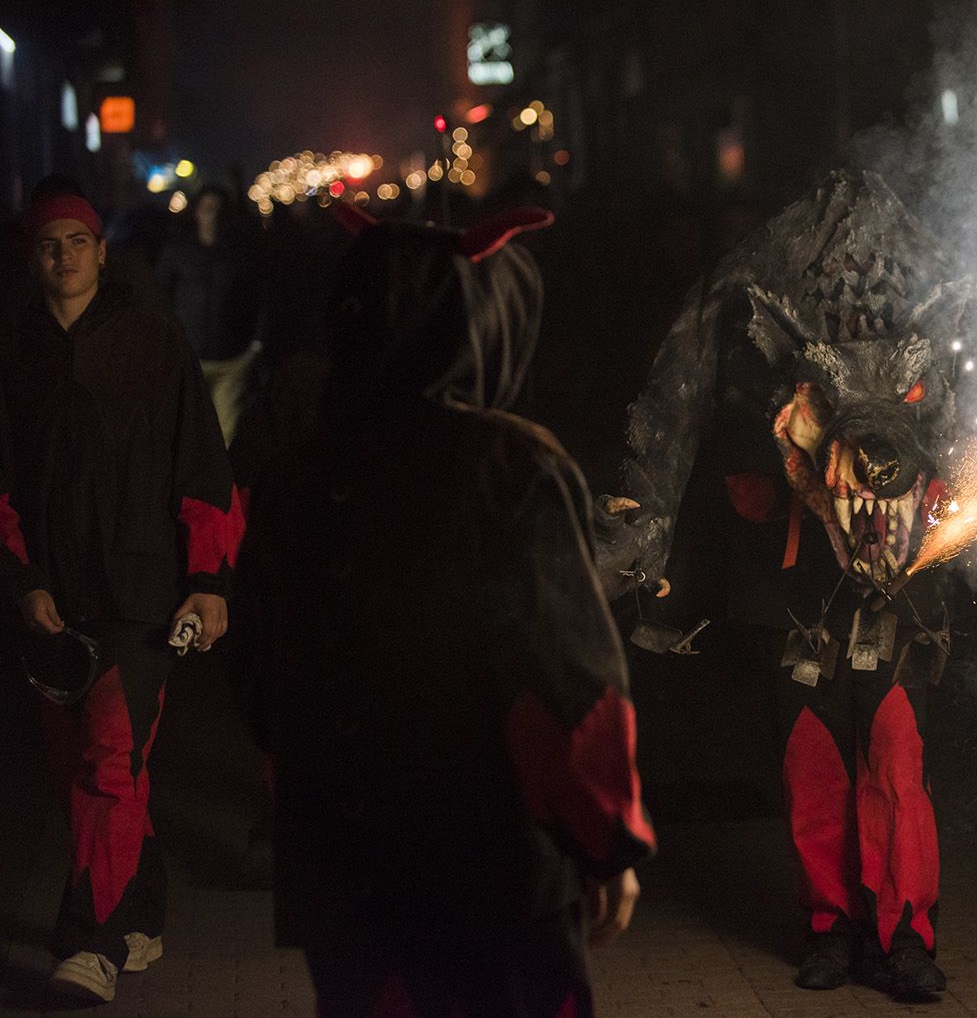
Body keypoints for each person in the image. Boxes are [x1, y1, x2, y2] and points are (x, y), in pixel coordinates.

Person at [238, 205, 653, 1017]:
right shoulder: (510, 464)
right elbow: (573, 680)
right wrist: (606, 842)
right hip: (488, 872)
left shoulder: (297, 475)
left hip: (344, 874)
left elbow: (257, 677)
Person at [0, 191, 243, 1003]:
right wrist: (26, 580)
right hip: (54, 599)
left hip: (142, 592)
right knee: (90, 763)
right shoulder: (16, 351)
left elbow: (202, 468)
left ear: (103, 252)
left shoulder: (152, 342)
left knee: (109, 760)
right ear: (31, 257)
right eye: (47, 245)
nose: (63, 256)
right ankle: (138, 909)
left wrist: (207, 581)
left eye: (78, 241)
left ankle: (89, 943)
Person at [157, 184, 265, 445]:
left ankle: (222, 485)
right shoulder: (179, 252)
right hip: (190, 358)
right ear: (196, 212)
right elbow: (160, 298)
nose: (212, 215)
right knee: (189, 434)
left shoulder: (240, 254)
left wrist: (255, 345)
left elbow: (259, 296)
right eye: (207, 208)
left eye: (217, 209)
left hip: (232, 358)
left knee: (226, 433)